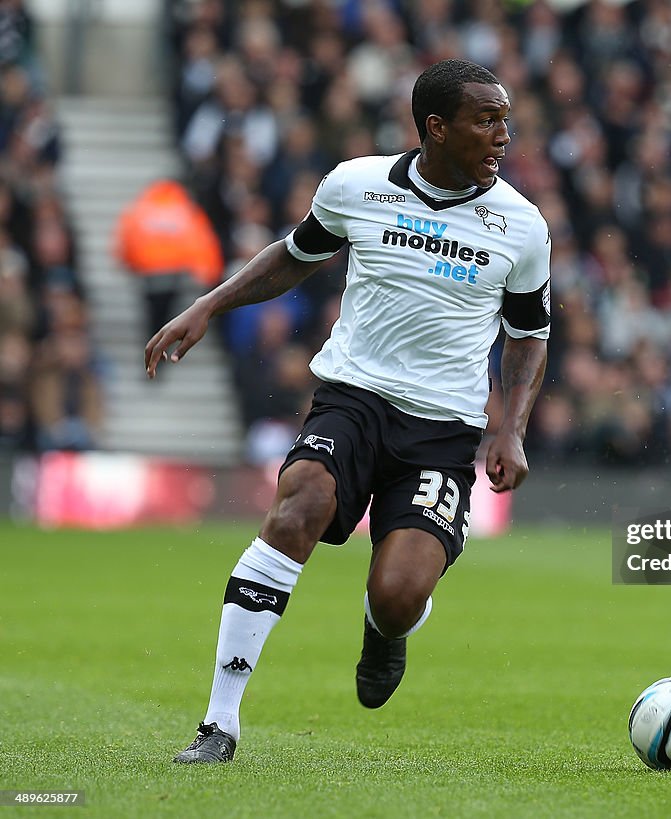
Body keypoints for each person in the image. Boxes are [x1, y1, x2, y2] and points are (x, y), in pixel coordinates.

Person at [145, 59, 551, 764]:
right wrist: (209, 303)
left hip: (442, 432)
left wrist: (509, 425)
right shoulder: (357, 184)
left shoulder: (520, 225)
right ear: (436, 127)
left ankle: (384, 630)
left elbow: (528, 332)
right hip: (352, 401)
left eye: (505, 120)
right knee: (295, 507)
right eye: (487, 120)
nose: (502, 136)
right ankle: (219, 723)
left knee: (397, 594)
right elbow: (296, 255)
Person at [116, 178, 223, 339]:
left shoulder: (142, 209)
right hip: (173, 274)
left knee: (152, 315)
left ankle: (152, 345)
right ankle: (163, 345)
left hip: (148, 274)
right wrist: (209, 273)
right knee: (168, 316)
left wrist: (129, 263)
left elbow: (126, 238)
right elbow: (200, 241)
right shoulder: (185, 210)